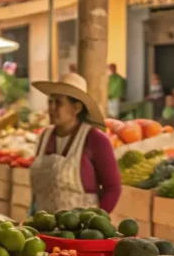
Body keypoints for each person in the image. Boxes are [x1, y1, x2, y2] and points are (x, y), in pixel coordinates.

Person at [29, 72, 122, 213]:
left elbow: (113, 188)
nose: (52, 108)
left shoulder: (95, 140)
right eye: (50, 101)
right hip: (43, 227)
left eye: (58, 102)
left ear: (76, 108)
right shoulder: (44, 137)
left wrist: (94, 221)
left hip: (80, 232)